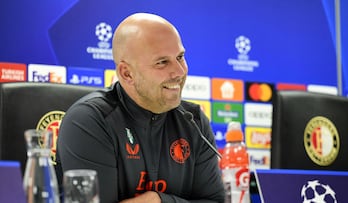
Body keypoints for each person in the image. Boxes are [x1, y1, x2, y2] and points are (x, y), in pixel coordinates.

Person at [56, 12, 225, 203]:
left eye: (180, 57)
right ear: (127, 73)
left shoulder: (193, 121)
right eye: (162, 62)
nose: (179, 72)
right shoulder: (89, 120)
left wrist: (158, 200)